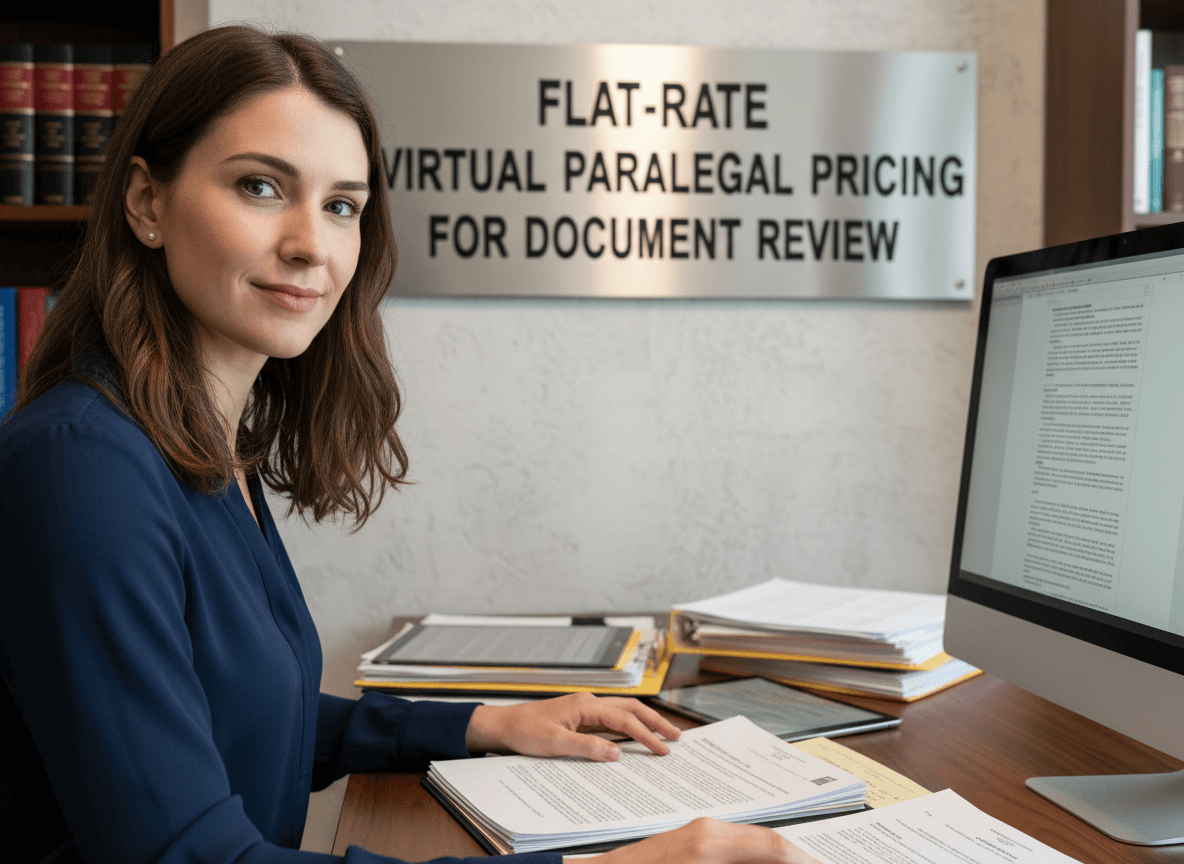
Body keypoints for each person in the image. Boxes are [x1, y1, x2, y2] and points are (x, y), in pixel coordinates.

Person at [0, 25, 817, 864]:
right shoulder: (82, 471)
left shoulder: (202, 447)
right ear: (146, 204)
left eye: (341, 205)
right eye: (259, 186)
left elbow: (237, 713)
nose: (311, 244)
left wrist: (482, 723)